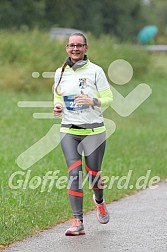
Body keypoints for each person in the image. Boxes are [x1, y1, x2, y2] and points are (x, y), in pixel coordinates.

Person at [53, 32, 113, 236]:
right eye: (71, 46)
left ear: (86, 48)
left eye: (79, 45)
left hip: (94, 131)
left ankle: (99, 201)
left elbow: (108, 98)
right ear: (67, 48)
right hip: (69, 130)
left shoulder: (96, 71)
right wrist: (57, 107)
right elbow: (57, 95)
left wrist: (92, 101)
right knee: (74, 174)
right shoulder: (60, 72)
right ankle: (78, 221)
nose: (75, 49)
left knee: (93, 175)